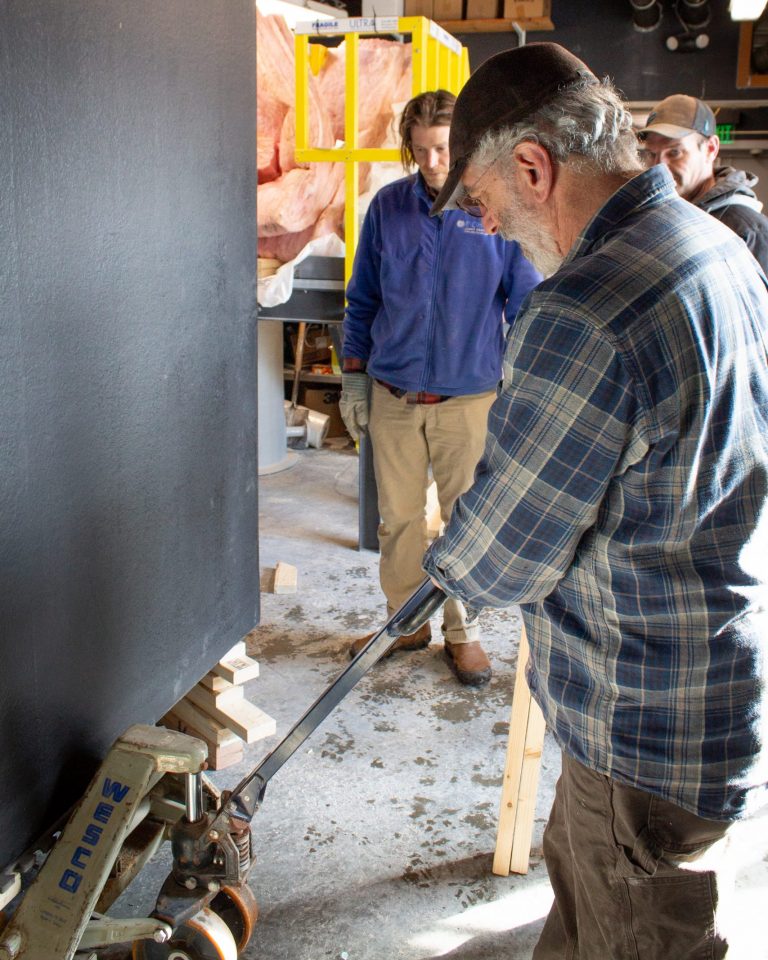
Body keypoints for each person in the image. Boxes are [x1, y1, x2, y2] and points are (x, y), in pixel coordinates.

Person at [425, 43, 768, 958]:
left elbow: (500, 558)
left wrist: (442, 570)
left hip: (639, 733)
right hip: (711, 698)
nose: (487, 228)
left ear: (534, 167)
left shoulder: (586, 307)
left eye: (483, 201)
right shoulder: (718, 247)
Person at [339, 89, 541, 687]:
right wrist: (353, 379)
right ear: (409, 148)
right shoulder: (387, 209)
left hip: (468, 399)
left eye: (444, 150)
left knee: (466, 522)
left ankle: (465, 634)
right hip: (394, 394)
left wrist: (518, 380)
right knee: (397, 521)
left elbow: (527, 300)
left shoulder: (492, 212)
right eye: (422, 150)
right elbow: (363, 298)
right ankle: (405, 624)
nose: (433, 163)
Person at [639, 93, 768, 272]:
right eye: (652, 154)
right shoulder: (654, 217)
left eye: (675, 152)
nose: (659, 167)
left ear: (711, 149)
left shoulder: (750, 231)